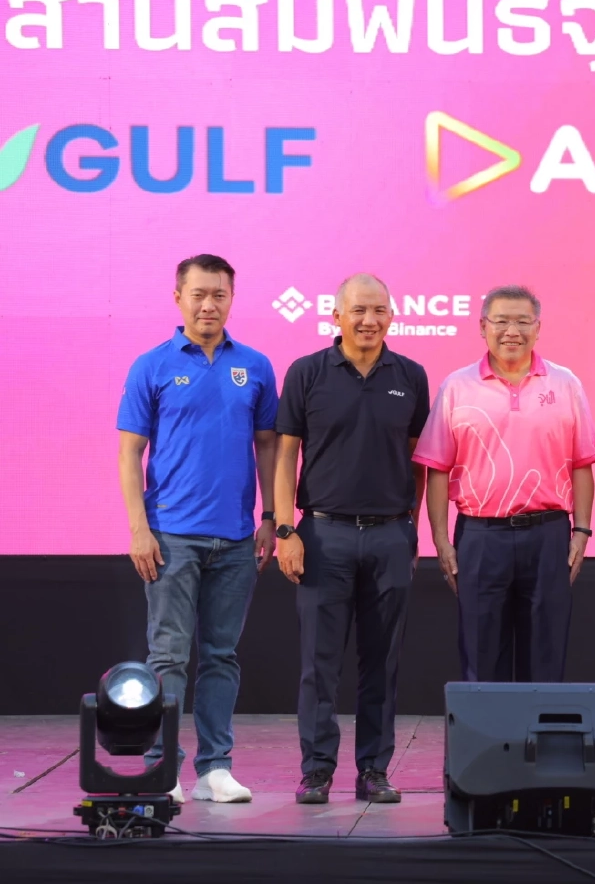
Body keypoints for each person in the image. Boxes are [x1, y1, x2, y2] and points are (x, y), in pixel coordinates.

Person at [116, 254, 277, 804]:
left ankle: (215, 767)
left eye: (220, 295)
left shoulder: (255, 366)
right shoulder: (152, 365)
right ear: (178, 297)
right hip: (171, 537)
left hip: (235, 537)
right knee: (167, 657)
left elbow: (268, 447)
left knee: (221, 656)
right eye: (199, 294)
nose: (209, 304)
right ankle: (165, 767)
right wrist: (140, 529)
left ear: (232, 299)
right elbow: (129, 453)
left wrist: (271, 519)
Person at [273, 274, 431, 806]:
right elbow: (285, 454)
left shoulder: (410, 376)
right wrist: (285, 529)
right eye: (359, 310)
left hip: (389, 536)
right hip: (322, 535)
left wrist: (410, 529)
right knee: (319, 664)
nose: (370, 320)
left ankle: (374, 770)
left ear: (392, 316)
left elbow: (417, 460)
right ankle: (316, 770)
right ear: (336, 316)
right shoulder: (307, 373)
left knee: (381, 663)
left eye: (380, 310)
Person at [416, 286, 595, 683]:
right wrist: (441, 540)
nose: (511, 330)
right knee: (481, 654)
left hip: (549, 533)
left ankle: (541, 743)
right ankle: (487, 744)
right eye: (501, 321)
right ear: (483, 327)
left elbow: (583, 463)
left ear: (538, 328)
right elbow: (437, 469)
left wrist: (582, 531)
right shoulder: (457, 387)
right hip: (481, 537)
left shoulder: (565, 384)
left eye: (522, 321)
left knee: (546, 653)